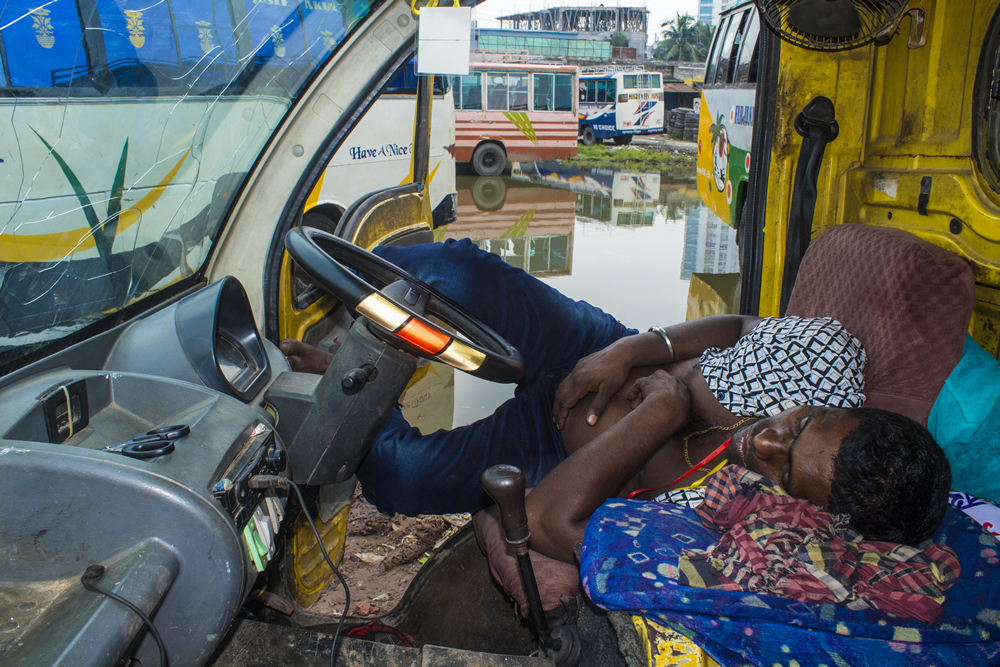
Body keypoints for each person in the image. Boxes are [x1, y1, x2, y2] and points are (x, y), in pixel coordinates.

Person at [281, 238, 952, 558]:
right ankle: (358, 350)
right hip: (598, 348)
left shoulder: (753, 538)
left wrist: (667, 410)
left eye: (781, 471)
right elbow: (744, 325)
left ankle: (357, 386)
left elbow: (545, 518)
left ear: (816, 517)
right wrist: (637, 350)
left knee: (399, 478)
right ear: (840, 406)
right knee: (451, 273)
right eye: (798, 423)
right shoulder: (827, 356)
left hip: (552, 448)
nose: (764, 442)